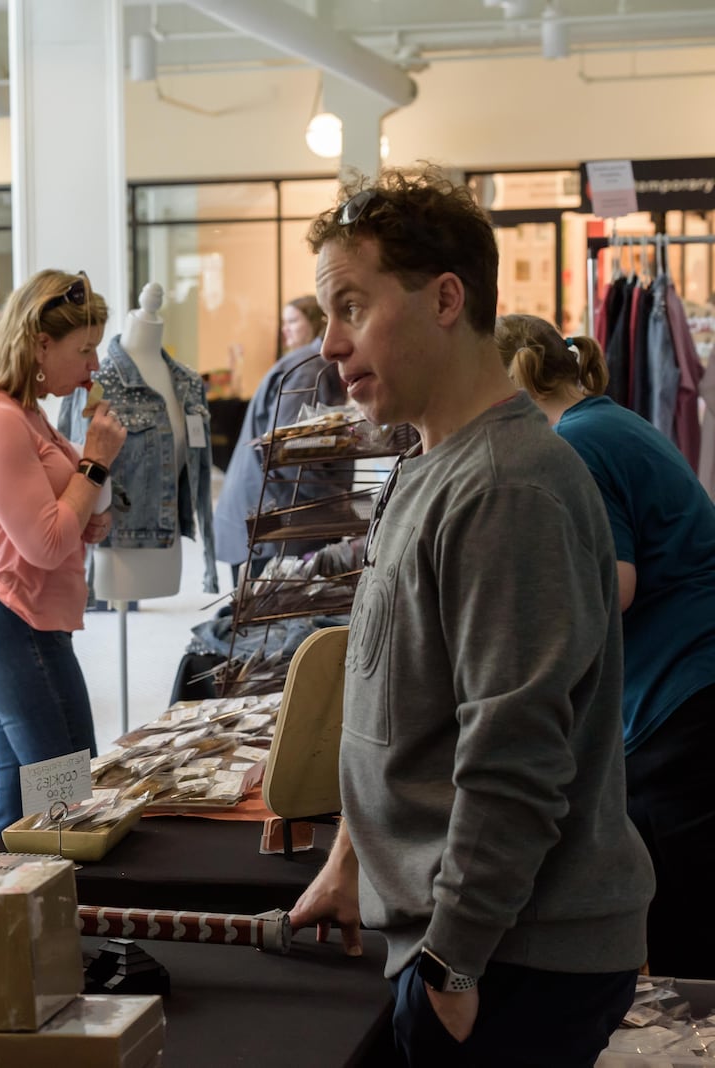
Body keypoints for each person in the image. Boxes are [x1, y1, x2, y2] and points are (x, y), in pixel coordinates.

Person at [285, 168, 654, 1067]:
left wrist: (453, 960)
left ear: (446, 298)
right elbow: (398, 701)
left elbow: (517, 752)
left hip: (515, 950)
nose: (330, 344)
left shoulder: (507, 485)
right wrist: (349, 862)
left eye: (352, 307)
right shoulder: (431, 462)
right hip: (466, 931)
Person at [496, 312, 715, 981]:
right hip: (685, 691)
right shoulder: (608, 421)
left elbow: (609, 587)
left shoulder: (579, 444)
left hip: (679, 703)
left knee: (686, 933)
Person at [0, 269, 126, 845]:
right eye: (85, 350)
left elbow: (53, 518)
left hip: (20, 617)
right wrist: (94, 462)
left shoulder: (24, 411)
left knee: (28, 797)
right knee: (67, 798)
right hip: (12, 616)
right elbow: (45, 544)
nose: (94, 367)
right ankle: (36, 926)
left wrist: (81, 511)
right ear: (40, 344)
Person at [213, 295, 348, 587]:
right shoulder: (309, 371)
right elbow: (289, 455)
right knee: (266, 624)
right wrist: (343, 503)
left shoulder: (310, 366)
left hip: (271, 514)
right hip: (270, 519)